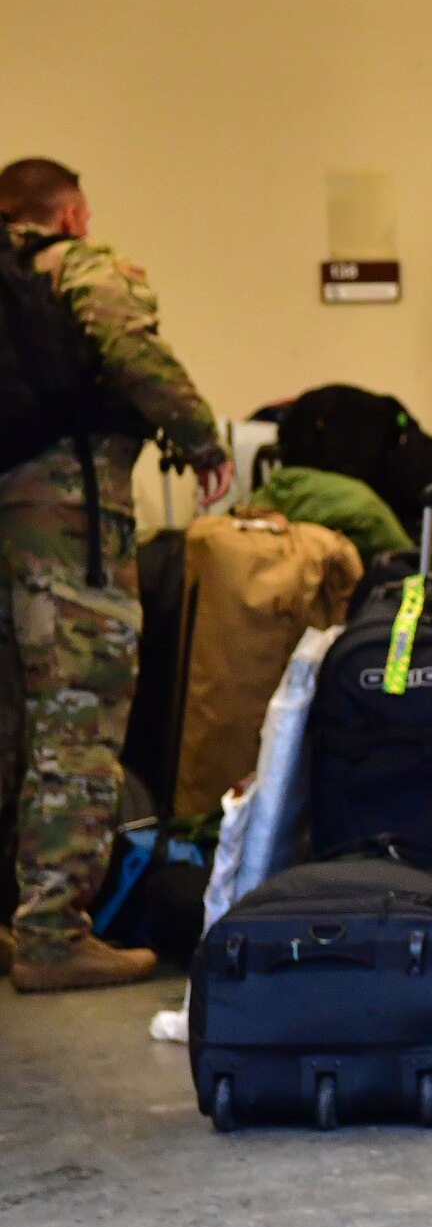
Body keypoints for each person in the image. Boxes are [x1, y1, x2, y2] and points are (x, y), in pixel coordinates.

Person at [0, 158, 230, 993]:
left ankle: (14, 918)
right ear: (70, 214)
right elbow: (125, 339)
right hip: (65, 525)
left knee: (10, 722)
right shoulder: (78, 266)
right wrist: (201, 438)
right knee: (77, 719)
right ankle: (53, 933)